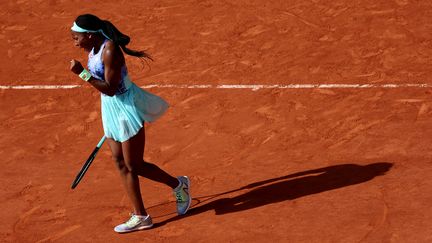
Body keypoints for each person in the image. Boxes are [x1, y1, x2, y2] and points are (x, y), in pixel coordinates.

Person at [69, 14, 191, 233]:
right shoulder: (93, 49)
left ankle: (178, 185)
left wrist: (82, 73)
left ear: (89, 35)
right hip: (110, 107)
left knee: (134, 164)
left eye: (77, 37)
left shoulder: (110, 51)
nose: (75, 42)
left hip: (126, 106)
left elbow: (111, 88)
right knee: (120, 162)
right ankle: (141, 216)